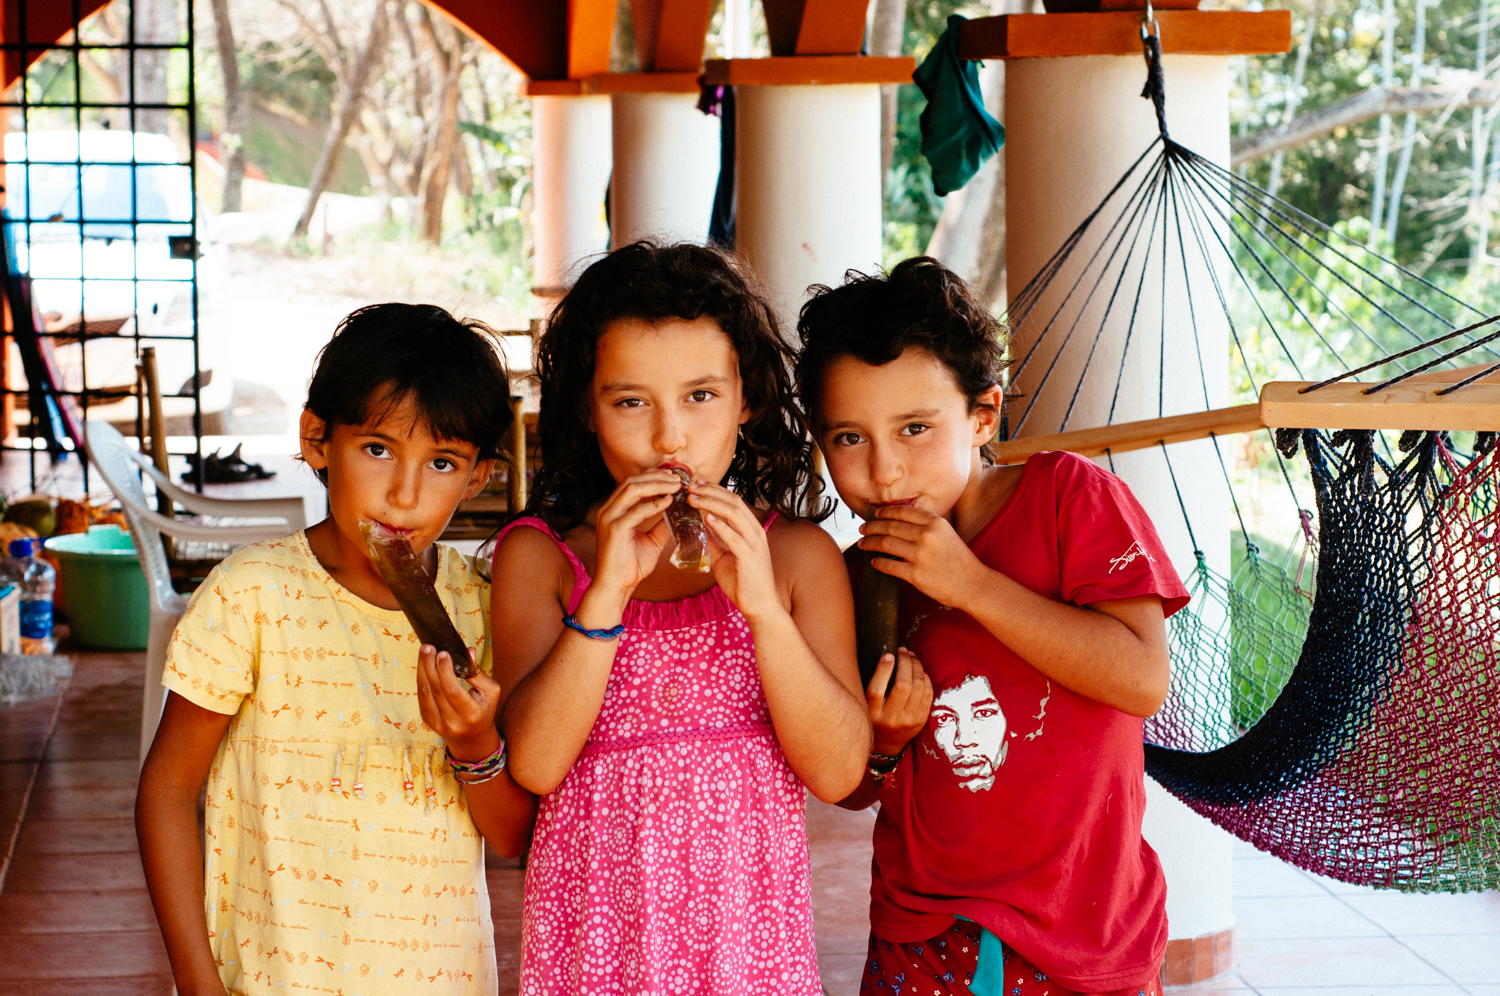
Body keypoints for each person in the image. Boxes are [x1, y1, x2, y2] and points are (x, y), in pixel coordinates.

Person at [794, 257, 1190, 996]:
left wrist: (970, 585)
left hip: (1084, 928)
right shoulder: (859, 576)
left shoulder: (1070, 497)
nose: (883, 473)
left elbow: (1141, 680)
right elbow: (850, 786)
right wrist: (881, 741)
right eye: (849, 438)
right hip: (921, 931)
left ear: (983, 414)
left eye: (915, 428)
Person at [490, 241, 871, 994]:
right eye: (631, 401)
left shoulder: (796, 560)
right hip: (596, 956)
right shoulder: (542, 561)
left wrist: (762, 609)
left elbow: (836, 771)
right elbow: (534, 764)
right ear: (585, 409)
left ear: (747, 399)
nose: (670, 437)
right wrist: (606, 594)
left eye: (700, 396)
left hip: (747, 957)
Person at [136, 304, 537, 996]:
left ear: (478, 478)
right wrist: (199, 984)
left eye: (442, 463)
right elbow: (168, 790)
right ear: (317, 439)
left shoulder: (483, 609)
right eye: (377, 449)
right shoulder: (251, 596)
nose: (404, 495)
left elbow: (511, 840)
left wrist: (475, 743)